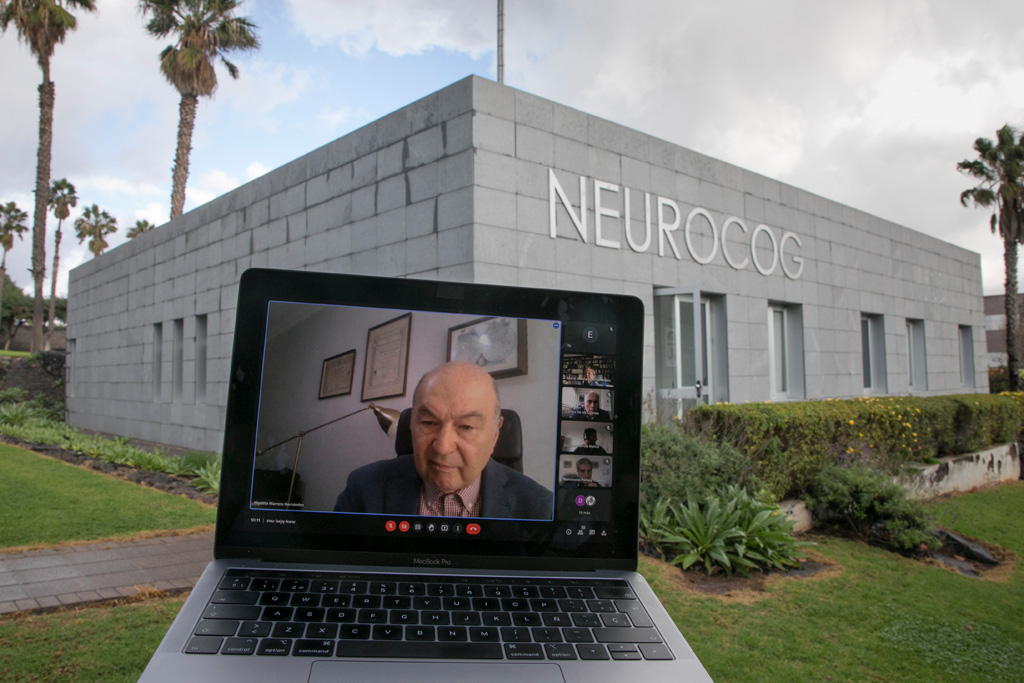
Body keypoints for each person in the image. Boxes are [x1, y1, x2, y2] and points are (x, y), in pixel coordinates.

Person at [334, 361, 552, 519]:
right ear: (411, 425)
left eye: (466, 427)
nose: (442, 447)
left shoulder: (540, 509)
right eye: (428, 422)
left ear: (495, 434)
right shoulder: (363, 489)